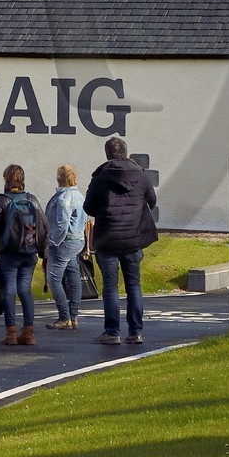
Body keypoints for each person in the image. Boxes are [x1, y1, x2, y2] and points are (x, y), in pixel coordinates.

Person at [83, 137, 158, 346]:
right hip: (133, 238)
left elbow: (88, 207)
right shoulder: (141, 175)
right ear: (125, 152)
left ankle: (112, 332)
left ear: (107, 154)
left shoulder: (100, 177)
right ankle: (135, 332)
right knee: (134, 285)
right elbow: (152, 200)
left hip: (107, 239)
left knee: (110, 287)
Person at [0, 163, 48, 346]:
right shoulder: (32, 199)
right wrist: (44, 252)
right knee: (25, 290)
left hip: (8, 254)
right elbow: (44, 226)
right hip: (29, 253)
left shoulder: (3, 200)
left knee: (9, 290)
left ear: (7, 179)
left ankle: (11, 332)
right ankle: (29, 332)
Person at [43, 164, 88, 330]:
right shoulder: (79, 196)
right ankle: (73, 315)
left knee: (54, 279)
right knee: (74, 277)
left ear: (59, 178)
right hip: (77, 241)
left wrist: (51, 241)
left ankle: (64, 317)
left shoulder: (64, 198)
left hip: (63, 242)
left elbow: (62, 224)